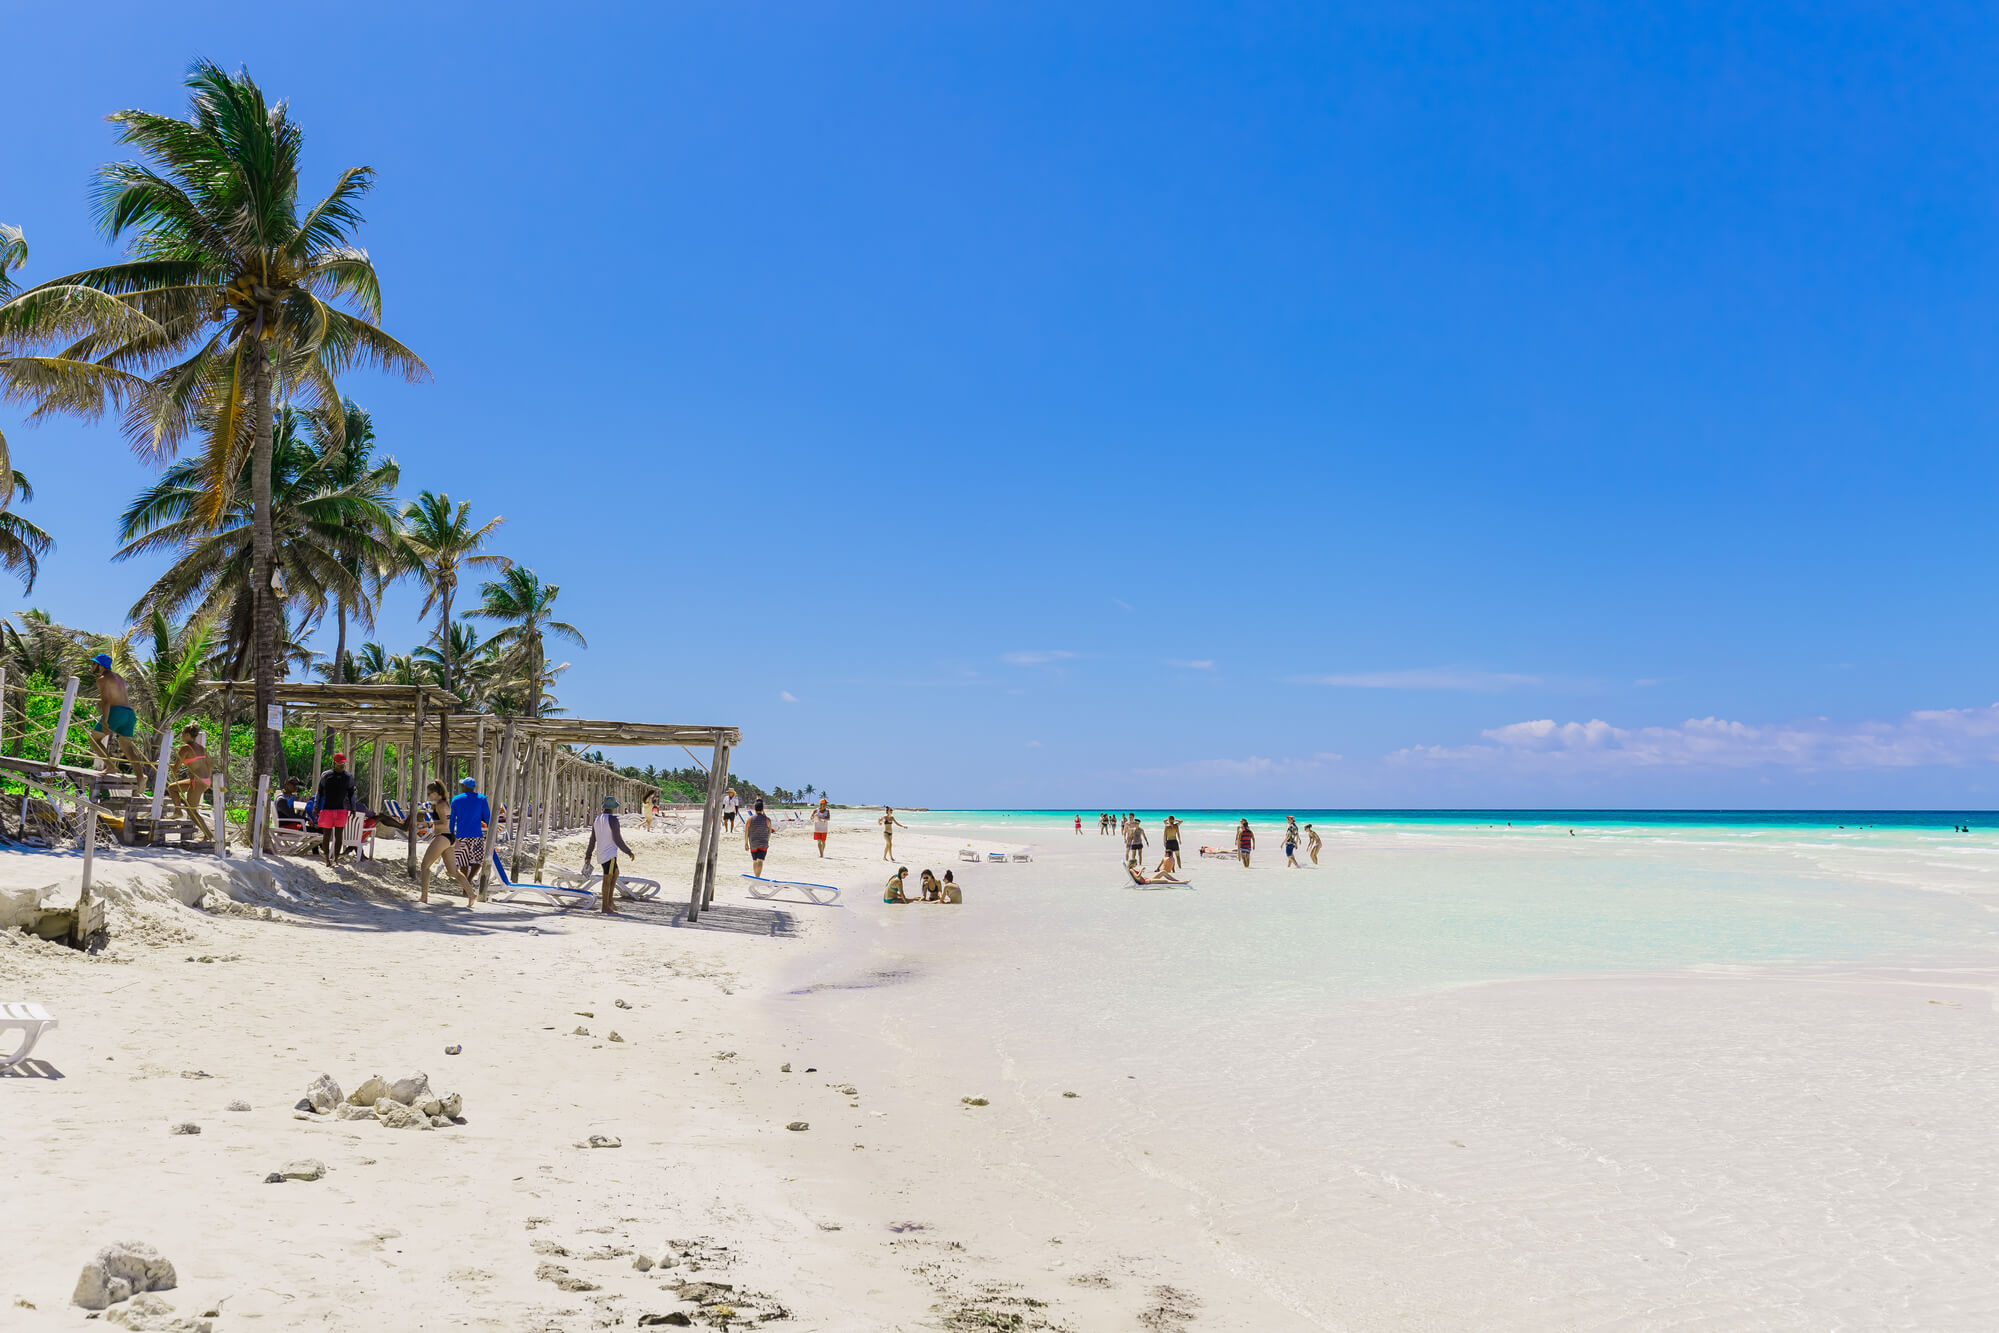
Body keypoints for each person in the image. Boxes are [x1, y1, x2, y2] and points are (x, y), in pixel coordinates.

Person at [85, 653, 149, 775]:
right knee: (127, 749)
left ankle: (110, 767)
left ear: (101, 666)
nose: (91, 666)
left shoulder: (102, 679)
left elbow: (106, 701)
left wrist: (104, 721)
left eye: (94, 664)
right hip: (129, 713)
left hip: (117, 711)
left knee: (94, 739)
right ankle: (140, 777)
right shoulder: (119, 677)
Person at [582, 795, 636, 915]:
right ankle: (605, 906)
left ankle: (610, 902)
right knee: (607, 878)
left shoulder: (597, 819)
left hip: (601, 854)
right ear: (612, 808)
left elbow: (592, 839)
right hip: (610, 854)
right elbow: (617, 839)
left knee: (615, 873)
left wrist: (588, 854)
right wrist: (628, 851)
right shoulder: (613, 820)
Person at [446, 776, 490, 907]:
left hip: (461, 836)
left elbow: (452, 819)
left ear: (464, 787)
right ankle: (469, 882)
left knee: (463, 863)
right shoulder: (482, 798)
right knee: (477, 862)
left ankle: (466, 886)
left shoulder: (456, 799)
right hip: (476, 835)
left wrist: (450, 834)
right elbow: (487, 817)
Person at [167, 724, 212, 841]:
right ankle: (178, 811)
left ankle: (208, 835)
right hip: (204, 780)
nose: (181, 736)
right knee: (172, 788)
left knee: (191, 811)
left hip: (197, 781)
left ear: (187, 735)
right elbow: (209, 764)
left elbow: (176, 767)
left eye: (182, 734)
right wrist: (208, 780)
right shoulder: (201, 748)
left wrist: (172, 770)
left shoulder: (185, 748)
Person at [413, 781, 455, 905]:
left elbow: (444, 822)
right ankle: (471, 893)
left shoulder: (440, 805)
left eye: (429, 794)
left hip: (443, 837)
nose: (428, 796)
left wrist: (428, 824)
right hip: (449, 836)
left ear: (436, 793)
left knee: (425, 865)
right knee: (453, 872)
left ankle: (424, 897)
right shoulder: (445, 803)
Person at [315, 753, 356, 867]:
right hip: (327, 809)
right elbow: (319, 792)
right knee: (326, 836)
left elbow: (351, 793)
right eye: (339, 763)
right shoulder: (326, 775)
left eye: (343, 763)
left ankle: (336, 858)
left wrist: (353, 808)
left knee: (339, 835)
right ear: (334, 763)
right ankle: (327, 858)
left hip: (341, 810)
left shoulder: (348, 777)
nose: (342, 765)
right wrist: (316, 806)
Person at [745, 798, 773, 877]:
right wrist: (767, 839)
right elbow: (769, 831)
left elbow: (746, 831)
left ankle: (755, 876)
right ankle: (758, 877)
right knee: (760, 860)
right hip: (763, 843)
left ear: (754, 809)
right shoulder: (767, 819)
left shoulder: (750, 819)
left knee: (754, 861)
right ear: (762, 809)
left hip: (753, 843)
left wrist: (746, 843)